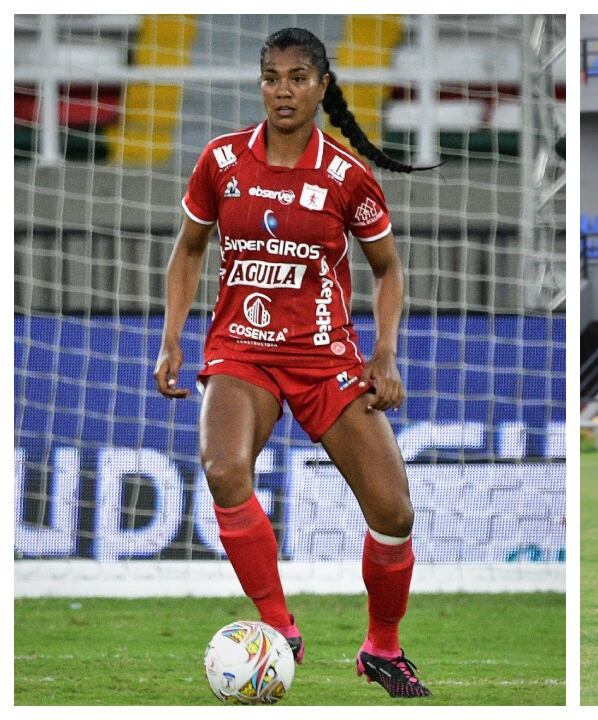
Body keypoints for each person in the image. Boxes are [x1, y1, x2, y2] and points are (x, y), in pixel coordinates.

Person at [154, 27, 438, 698]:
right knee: (223, 467)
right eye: (272, 76)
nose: (283, 89)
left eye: (298, 77)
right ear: (261, 84)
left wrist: (384, 355)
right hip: (241, 353)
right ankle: (279, 627)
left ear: (321, 87)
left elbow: (388, 269)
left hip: (324, 360)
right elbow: (190, 250)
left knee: (395, 514)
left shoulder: (348, 177)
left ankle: (382, 649)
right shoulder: (222, 160)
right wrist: (171, 338)